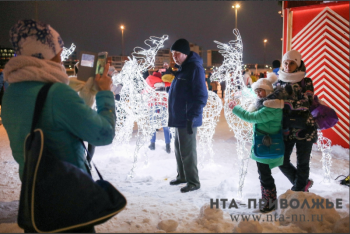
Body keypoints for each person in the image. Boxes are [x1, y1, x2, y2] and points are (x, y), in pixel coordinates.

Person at [1, 19, 115, 233]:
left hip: (35, 201)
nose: (61, 58)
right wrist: (105, 93)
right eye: (58, 52)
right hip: (69, 202)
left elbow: (51, 122)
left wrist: (79, 92)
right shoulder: (57, 94)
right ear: (44, 52)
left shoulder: (11, 93)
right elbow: (104, 134)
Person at [228, 73, 283, 213]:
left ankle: (270, 202)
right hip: (264, 143)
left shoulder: (271, 107)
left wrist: (235, 108)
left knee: (264, 174)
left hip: (267, 145)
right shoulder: (266, 104)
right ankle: (268, 199)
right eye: (256, 91)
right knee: (263, 173)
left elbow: (251, 117)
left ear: (269, 91)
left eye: (261, 90)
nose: (258, 93)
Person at [263, 50, 317, 192]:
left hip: (305, 128)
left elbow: (306, 103)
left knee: (303, 163)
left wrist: (282, 103)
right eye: (285, 63)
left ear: (298, 64)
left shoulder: (306, 81)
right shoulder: (278, 82)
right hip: (286, 129)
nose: (287, 66)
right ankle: (301, 184)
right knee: (282, 161)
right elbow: (269, 101)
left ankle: (299, 191)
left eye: (292, 63)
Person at [168, 38, 208, 193]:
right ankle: (182, 176)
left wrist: (192, 116)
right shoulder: (183, 68)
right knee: (179, 149)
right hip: (179, 117)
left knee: (188, 150)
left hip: (187, 118)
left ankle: (193, 181)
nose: (174, 57)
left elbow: (201, 96)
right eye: (172, 54)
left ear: (185, 53)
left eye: (177, 54)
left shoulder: (194, 68)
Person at [145, 71, 172, 153]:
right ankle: (168, 145)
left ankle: (152, 144)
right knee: (165, 124)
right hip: (163, 103)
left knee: (153, 124)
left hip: (153, 103)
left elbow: (145, 92)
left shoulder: (149, 80)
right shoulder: (164, 82)